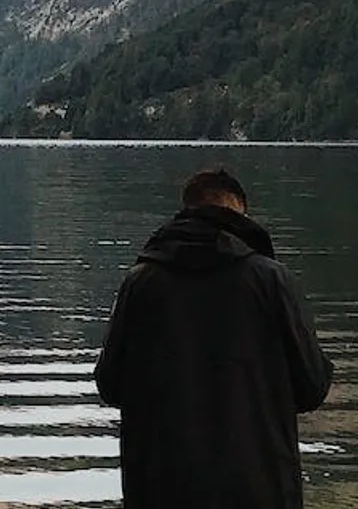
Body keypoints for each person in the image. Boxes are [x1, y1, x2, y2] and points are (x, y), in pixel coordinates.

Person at [94, 167, 333, 509]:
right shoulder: (272, 281)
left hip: (161, 488)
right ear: (241, 212)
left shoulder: (141, 283)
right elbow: (311, 388)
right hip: (259, 487)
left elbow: (110, 385)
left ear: (186, 211)